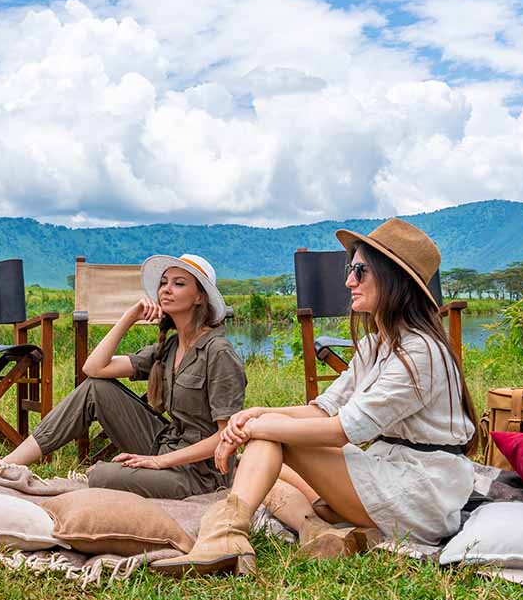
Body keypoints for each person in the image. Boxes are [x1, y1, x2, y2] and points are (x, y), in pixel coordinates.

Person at [151, 218, 479, 576]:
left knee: (268, 441)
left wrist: (258, 426)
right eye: (349, 269)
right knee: (260, 466)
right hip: (389, 470)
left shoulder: (421, 352)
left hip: (420, 494)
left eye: (359, 271)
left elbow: (340, 430)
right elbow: (324, 409)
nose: (348, 280)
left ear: (393, 279)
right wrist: (258, 412)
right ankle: (315, 531)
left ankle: (224, 537)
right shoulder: (377, 345)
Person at [0, 253, 246, 499]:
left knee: (100, 474)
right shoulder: (172, 347)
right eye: (164, 282)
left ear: (200, 297)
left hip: (200, 474)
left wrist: (159, 462)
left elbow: (225, 438)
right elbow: (93, 369)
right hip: (165, 444)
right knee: (96, 388)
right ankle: (8, 465)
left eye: (179, 284)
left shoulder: (218, 353)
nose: (166, 289)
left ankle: (115, 478)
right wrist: (129, 317)